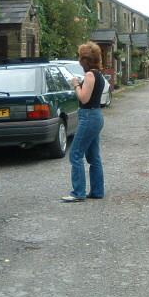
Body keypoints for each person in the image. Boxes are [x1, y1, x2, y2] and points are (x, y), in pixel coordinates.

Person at [61, 41, 106, 202]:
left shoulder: (89, 75)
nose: (79, 61)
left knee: (75, 154)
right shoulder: (98, 74)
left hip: (88, 116)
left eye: (80, 58)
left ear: (85, 60)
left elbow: (84, 98)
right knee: (93, 156)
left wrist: (75, 85)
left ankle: (78, 192)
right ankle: (97, 191)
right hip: (96, 116)